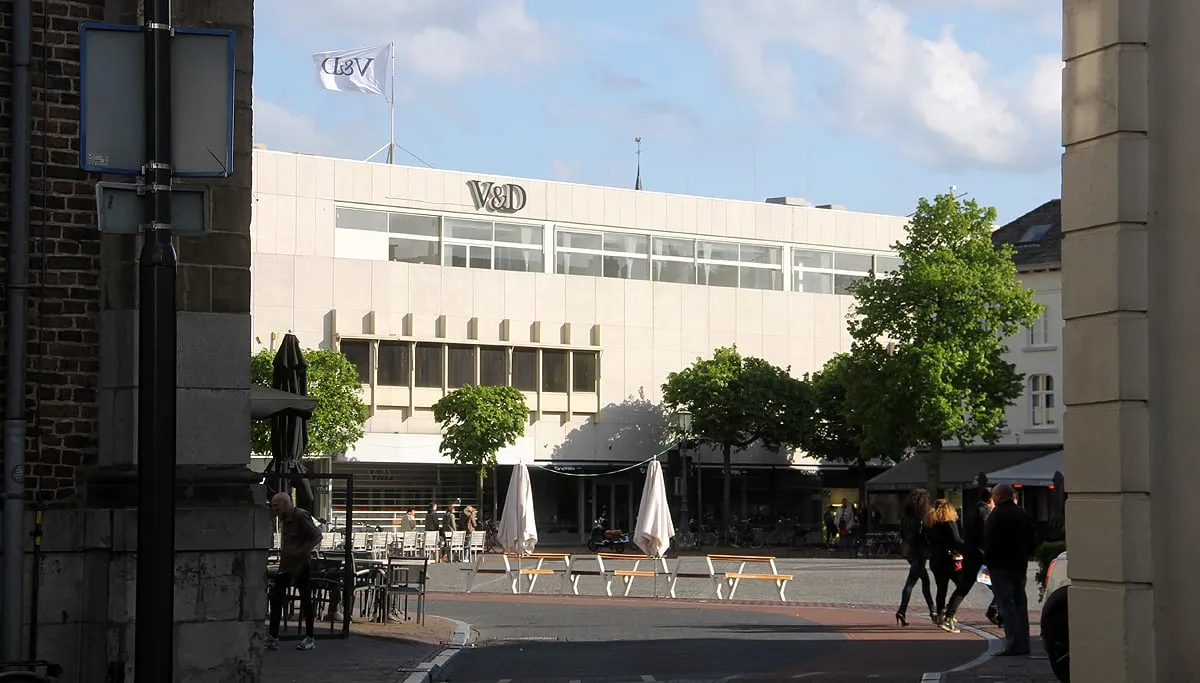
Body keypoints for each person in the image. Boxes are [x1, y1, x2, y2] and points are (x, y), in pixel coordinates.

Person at [267, 492, 323, 651]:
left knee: (304, 599)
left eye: (276, 506)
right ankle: (273, 636)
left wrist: (300, 552)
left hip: (301, 565)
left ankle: (309, 637)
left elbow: (317, 536)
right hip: (288, 565)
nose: (274, 510)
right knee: (277, 596)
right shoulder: (285, 518)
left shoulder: (300, 516)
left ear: (285, 504)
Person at [985, 484, 1036, 656]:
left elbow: (990, 541)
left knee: (1006, 605)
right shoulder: (1023, 514)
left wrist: (989, 562)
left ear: (999, 497)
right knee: (1020, 604)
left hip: (1000, 565)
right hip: (1019, 565)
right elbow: (1032, 541)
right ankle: (1024, 642)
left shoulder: (996, 515)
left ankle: (1013, 643)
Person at [942, 487, 995, 629]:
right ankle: (994, 612)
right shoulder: (985, 513)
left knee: (963, 587)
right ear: (990, 500)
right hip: (981, 556)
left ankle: (949, 615)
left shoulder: (972, 510)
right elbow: (986, 535)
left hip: (970, 555)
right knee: (998, 587)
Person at [895, 488, 936, 627]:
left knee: (925, 580)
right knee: (910, 583)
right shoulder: (921, 518)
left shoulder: (906, 517)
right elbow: (926, 536)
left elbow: (901, 534)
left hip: (909, 552)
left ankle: (932, 610)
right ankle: (902, 610)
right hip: (920, 553)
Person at [925, 498, 965, 632]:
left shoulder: (930, 523)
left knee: (941, 588)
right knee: (962, 585)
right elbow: (956, 540)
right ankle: (949, 611)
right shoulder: (949, 522)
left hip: (935, 559)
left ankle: (940, 616)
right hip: (949, 559)